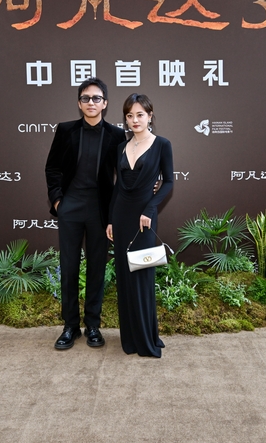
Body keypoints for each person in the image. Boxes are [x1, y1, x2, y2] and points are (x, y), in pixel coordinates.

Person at [45, 78, 126, 350]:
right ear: (79, 103)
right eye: (85, 98)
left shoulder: (116, 135)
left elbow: (124, 175)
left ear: (105, 103)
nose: (91, 102)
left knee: (96, 267)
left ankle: (93, 325)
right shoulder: (65, 130)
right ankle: (70, 326)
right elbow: (52, 167)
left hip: (99, 210)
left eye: (96, 98)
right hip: (70, 206)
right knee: (68, 267)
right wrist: (58, 201)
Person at [107, 93, 174, 357]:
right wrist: (110, 219)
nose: (135, 120)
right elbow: (118, 187)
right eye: (129, 115)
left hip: (144, 217)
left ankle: (147, 338)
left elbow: (168, 182)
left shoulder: (162, 145)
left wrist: (150, 208)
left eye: (140, 115)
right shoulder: (121, 148)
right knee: (125, 275)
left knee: (142, 274)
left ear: (150, 116)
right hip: (121, 216)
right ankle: (131, 338)